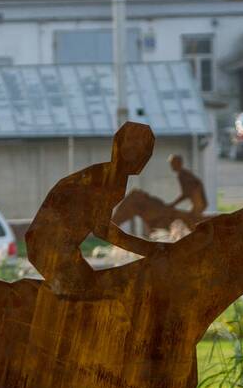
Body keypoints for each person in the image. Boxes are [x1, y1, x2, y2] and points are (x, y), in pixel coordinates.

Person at [25, 122, 163, 300]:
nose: (141, 157)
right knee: (89, 297)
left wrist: (150, 249)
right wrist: (150, 248)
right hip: (47, 246)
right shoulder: (106, 179)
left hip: (62, 247)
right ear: (117, 147)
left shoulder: (114, 179)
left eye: (146, 151)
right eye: (136, 150)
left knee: (91, 292)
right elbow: (102, 230)